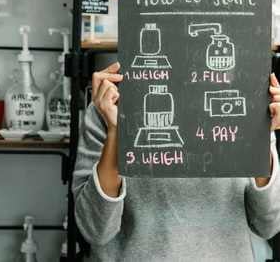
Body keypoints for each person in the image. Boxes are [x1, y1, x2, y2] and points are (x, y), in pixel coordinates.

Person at [72, 60, 280, 261]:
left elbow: (268, 224)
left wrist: (258, 137)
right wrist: (117, 130)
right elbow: (95, 229)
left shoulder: (249, 106)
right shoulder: (109, 106)